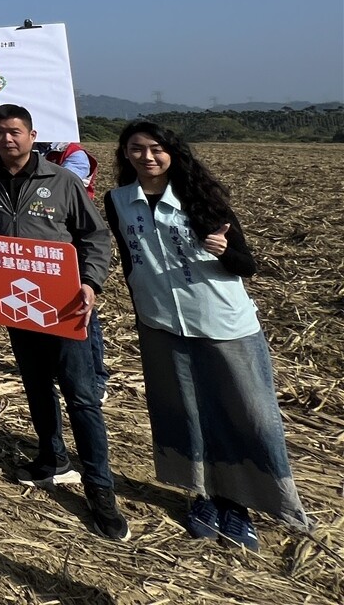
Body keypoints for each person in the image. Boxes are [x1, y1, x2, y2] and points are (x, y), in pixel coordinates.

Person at [103, 121, 310, 550]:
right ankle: (202, 495)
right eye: (136, 149)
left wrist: (224, 251)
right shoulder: (119, 201)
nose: (147, 156)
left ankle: (239, 502)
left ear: (172, 152)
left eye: (156, 148)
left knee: (243, 412)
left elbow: (246, 265)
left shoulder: (202, 199)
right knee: (184, 411)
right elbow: (128, 257)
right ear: (124, 154)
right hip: (161, 324)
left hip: (221, 321)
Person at [0, 104, 131, 542]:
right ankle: (52, 457)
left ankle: (100, 489)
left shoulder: (62, 180)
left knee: (82, 397)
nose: (6, 139)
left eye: (14, 131)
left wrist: (91, 284)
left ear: (32, 135)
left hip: (66, 306)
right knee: (35, 384)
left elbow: (93, 236)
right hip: (17, 305)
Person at [40, 140, 112, 402]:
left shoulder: (73, 154)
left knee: (81, 313)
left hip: (70, 245)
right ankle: (61, 370)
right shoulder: (37, 150)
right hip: (40, 249)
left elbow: (57, 187)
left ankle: (96, 379)